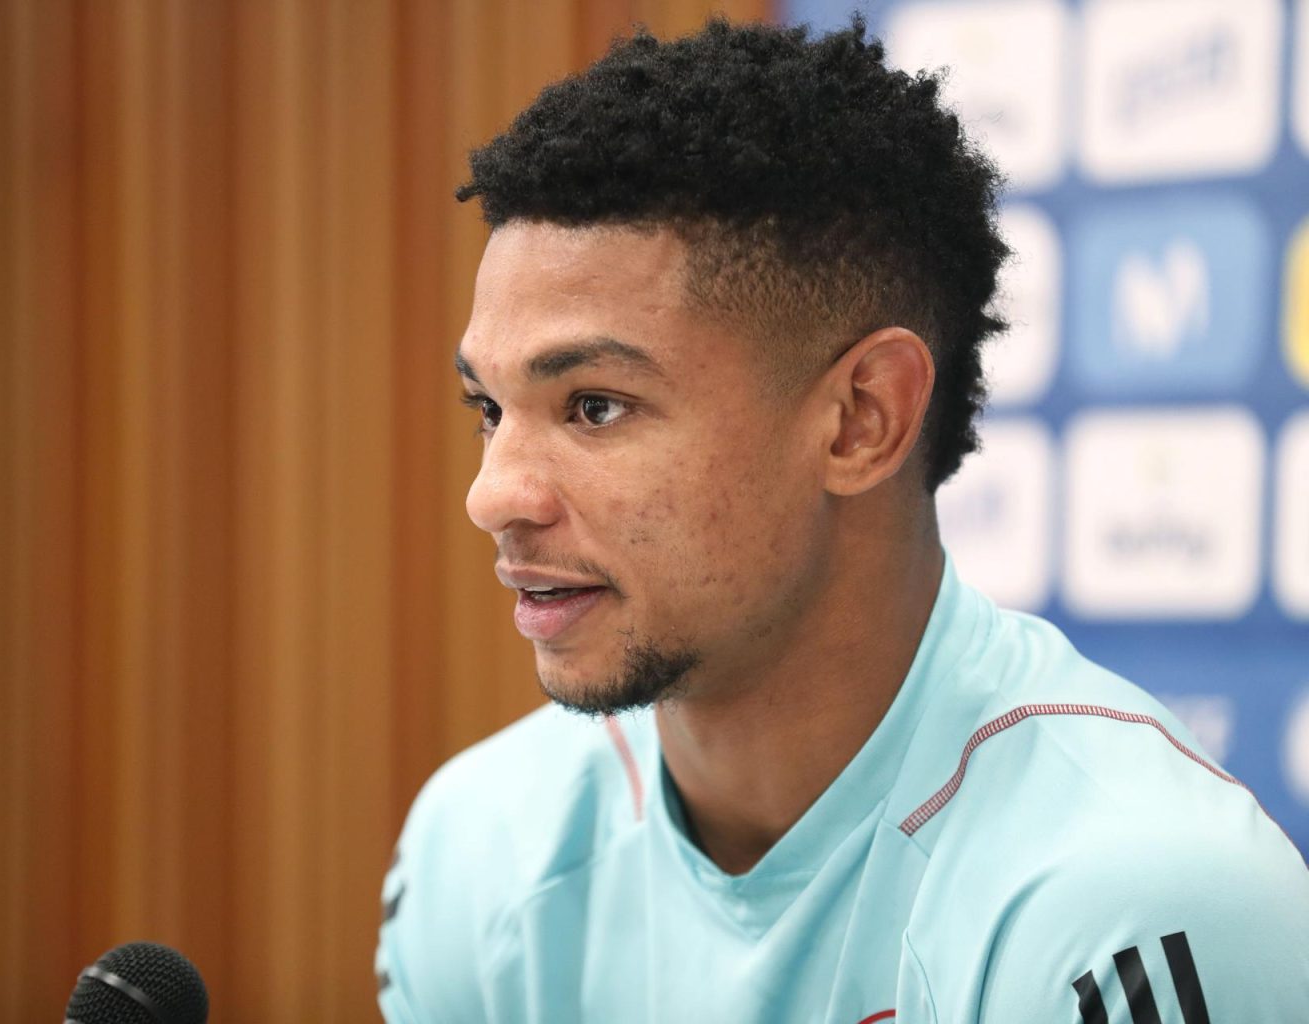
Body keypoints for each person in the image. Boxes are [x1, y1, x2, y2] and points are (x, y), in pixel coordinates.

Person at [375, 17, 1309, 1023]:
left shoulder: (1132, 902)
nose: (495, 495)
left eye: (594, 405)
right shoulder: (476, 847)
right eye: (490, 409)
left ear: (863, 419)